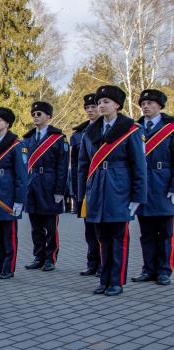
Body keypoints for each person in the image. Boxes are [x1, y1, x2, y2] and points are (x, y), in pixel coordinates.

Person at [78, 85, 147, 296]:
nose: (101, 106)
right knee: (102, 238)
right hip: (96, 190)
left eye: (106, 102)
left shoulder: (131, 130)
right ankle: (104, 279)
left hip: (119, 189)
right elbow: (82, 165)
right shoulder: (90, 132)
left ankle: (116, 281)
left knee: (118, 237)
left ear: (117, 105)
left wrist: (137, 196)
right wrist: (81, 194)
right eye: (99, 103)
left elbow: (139, 165)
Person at [133, 89, 174, 286]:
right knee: (146, 233)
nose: (145, 106)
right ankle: (148, 269)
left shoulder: (171, 128)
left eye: (150, 103)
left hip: (163, 185)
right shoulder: (135, 128)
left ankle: (165, 270)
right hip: (143, 186)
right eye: (143, 103)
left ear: (159, 106)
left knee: (165, 233)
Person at [22, 101, 69, 272]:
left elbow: (62, 167)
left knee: (50, 226)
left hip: (49, 184)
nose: (36, 117)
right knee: (35, 226)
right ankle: (38, 256)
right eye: (33, 114)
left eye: (39, 114)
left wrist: (59, 191)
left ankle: (51, 257)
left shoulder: (58, 139)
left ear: (48, 117)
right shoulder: (27, 139)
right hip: (32, 184)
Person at [0, 107, 26, 279]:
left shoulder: (17, 145)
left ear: (7, 123)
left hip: (8, 196)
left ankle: (9, 268)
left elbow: (21, 176)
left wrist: (19, 200)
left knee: (9, 235)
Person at [72, 94, 102, 277]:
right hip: (88, 185)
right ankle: (92, 262)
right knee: (89, 229)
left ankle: (102, 264)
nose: (90, 110)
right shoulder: (80, 135)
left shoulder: (109, 130)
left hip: (105, 185)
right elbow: (78, 165)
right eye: (87, 108)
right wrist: (78, 191)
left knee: (102, 230)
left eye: (93, 106)